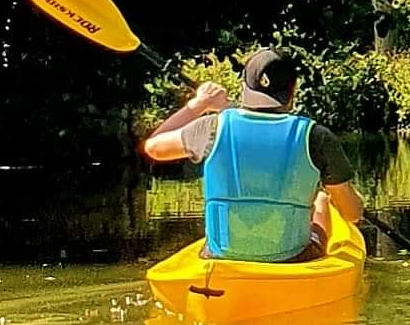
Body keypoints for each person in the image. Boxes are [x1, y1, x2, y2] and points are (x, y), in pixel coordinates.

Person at [139, 47, 362, 263]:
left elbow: (153, 147)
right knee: (322, 201)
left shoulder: (212, 127)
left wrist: (199, 105)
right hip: (292, 259)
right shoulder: (316, 136)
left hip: (221, 257)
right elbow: (351, 214)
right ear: (293, 90)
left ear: (245, 86)